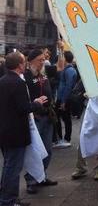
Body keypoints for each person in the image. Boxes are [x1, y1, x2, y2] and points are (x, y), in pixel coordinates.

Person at [0, 51, 48, 206]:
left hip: (5, 131)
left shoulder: (3, 80)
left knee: (8, 165)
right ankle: (8, 200)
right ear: (20, 65)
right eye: (24, 62)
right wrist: (36, 103)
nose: (25, 64)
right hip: (16, 132)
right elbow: (23, 108)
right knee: (13, 169)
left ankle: (7, 198)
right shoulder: (18, 83)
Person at [23, 49, 58, 194]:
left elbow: (59, 67)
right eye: (39, 60)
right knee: (36, 151)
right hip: (35, 118)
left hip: (47, 116)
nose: (42, 62)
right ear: (30, 61)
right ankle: (31, 179)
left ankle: (41, 176)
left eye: (43, 59)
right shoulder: (25, 77)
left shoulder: (43, 74)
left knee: (47, 150)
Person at [54, 50, 77, 148]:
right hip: (62, 98)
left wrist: (63, 101)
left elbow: (68, 86)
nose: (61, 59)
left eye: (62, 57)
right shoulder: (67, 69)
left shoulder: (70, 70)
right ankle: (61, 138)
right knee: (60, 117)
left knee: (65, 118)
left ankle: (66, 139)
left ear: (65, 58)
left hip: (64, 98)